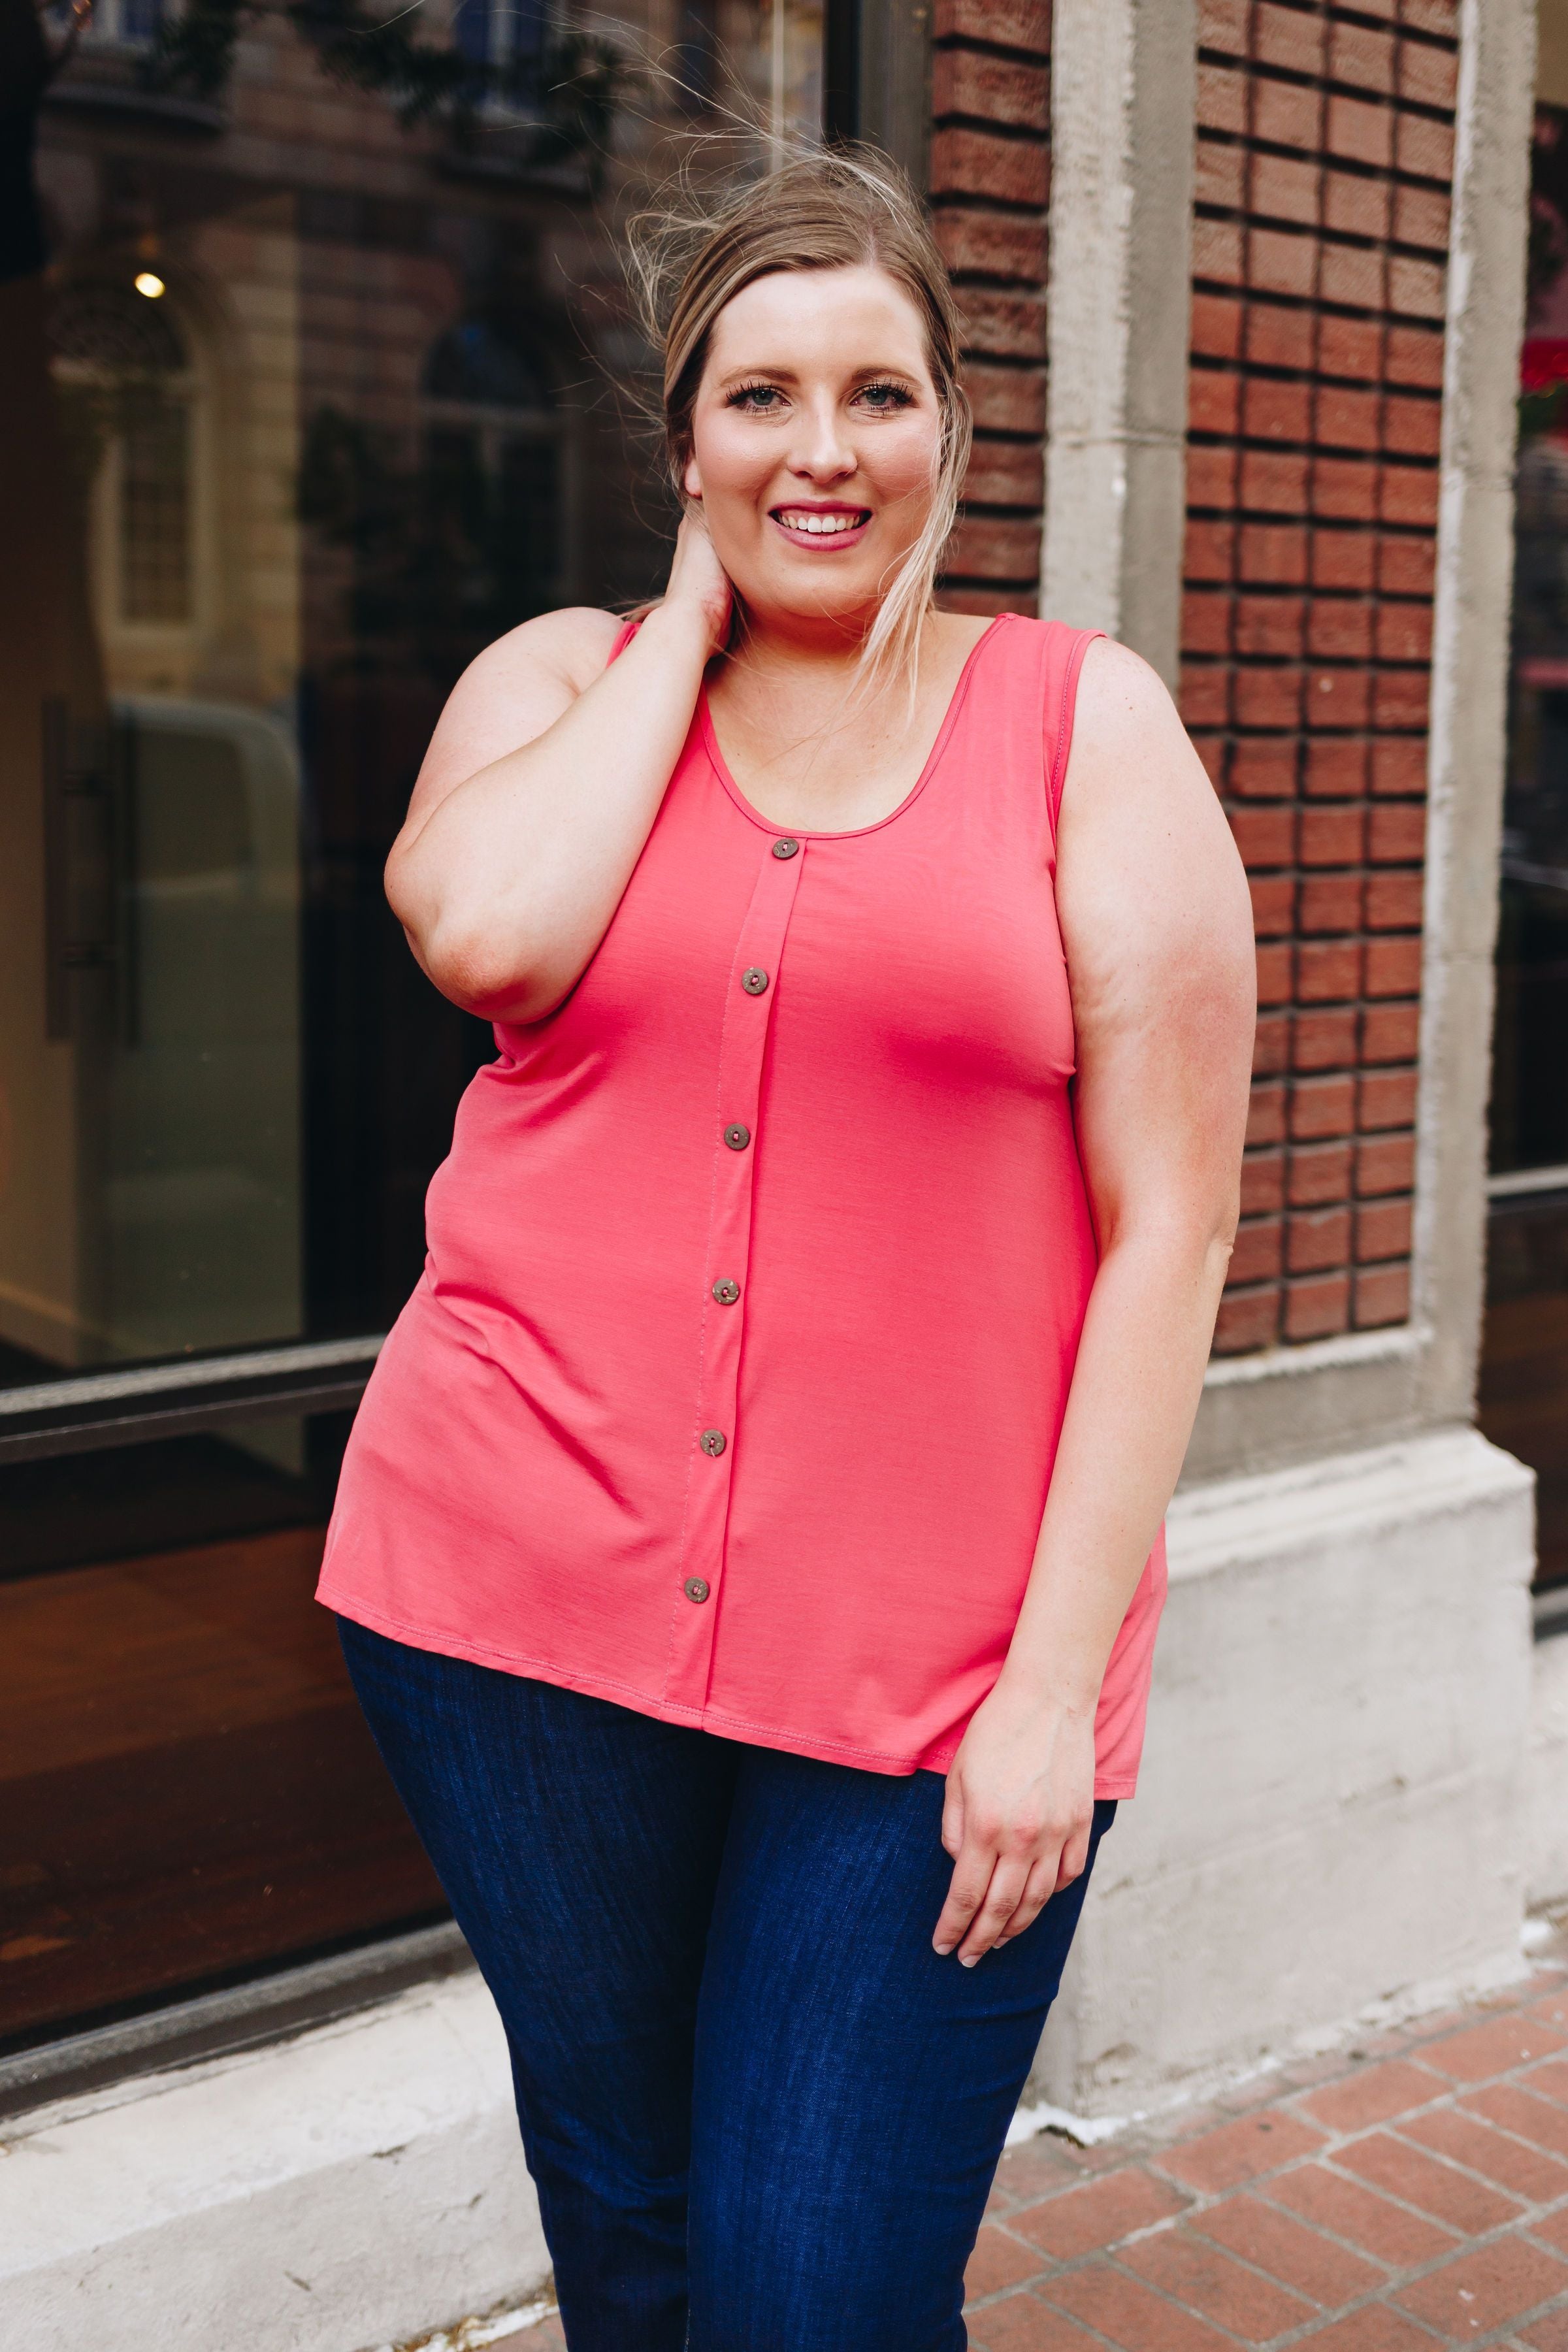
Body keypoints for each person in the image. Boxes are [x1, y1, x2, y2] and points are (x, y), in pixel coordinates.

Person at [318, 148, 1256, 2352]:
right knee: (628, 2211)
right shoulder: (559, 682)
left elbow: (1175, 1223)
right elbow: (485, 934)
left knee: (816, 2287)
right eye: (759, 400)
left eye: (876, 394)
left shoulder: (1082, 725)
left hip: (934, 1675)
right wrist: (686, 629)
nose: (821, 451)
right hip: (514, 1601)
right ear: (684, 447)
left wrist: (1051, 1696)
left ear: (951, 429)